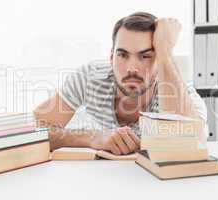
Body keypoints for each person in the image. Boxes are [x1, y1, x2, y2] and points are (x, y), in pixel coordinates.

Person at [34, 12, 207, 155]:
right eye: (123, 55)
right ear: (111, 57)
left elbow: (195, 142)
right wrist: (93, 138)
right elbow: (33, 130)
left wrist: (165, 49)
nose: (132, 68)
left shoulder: (175, 87)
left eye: (145, 56)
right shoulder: (91, 77)